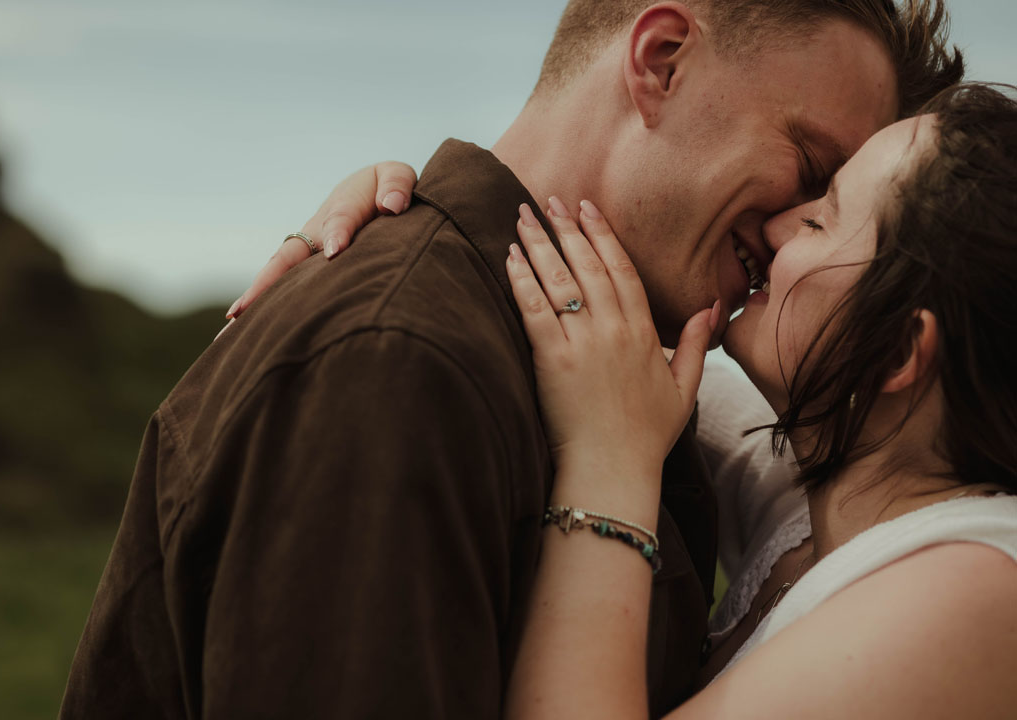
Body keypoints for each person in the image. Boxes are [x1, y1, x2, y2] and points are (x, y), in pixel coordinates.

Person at [61, 2, 961, 717]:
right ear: (660, 62)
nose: (782, 230)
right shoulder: (397, 363)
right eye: (807, 164)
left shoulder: (619, 377)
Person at [241, 83, 1017, 716]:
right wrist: (393, 226)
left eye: (822, 218)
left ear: (892, 353)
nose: (780, 224)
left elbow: (614, 411)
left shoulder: (976, 594)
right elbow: (596, 354)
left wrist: (607, 467)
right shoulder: (841, 487)